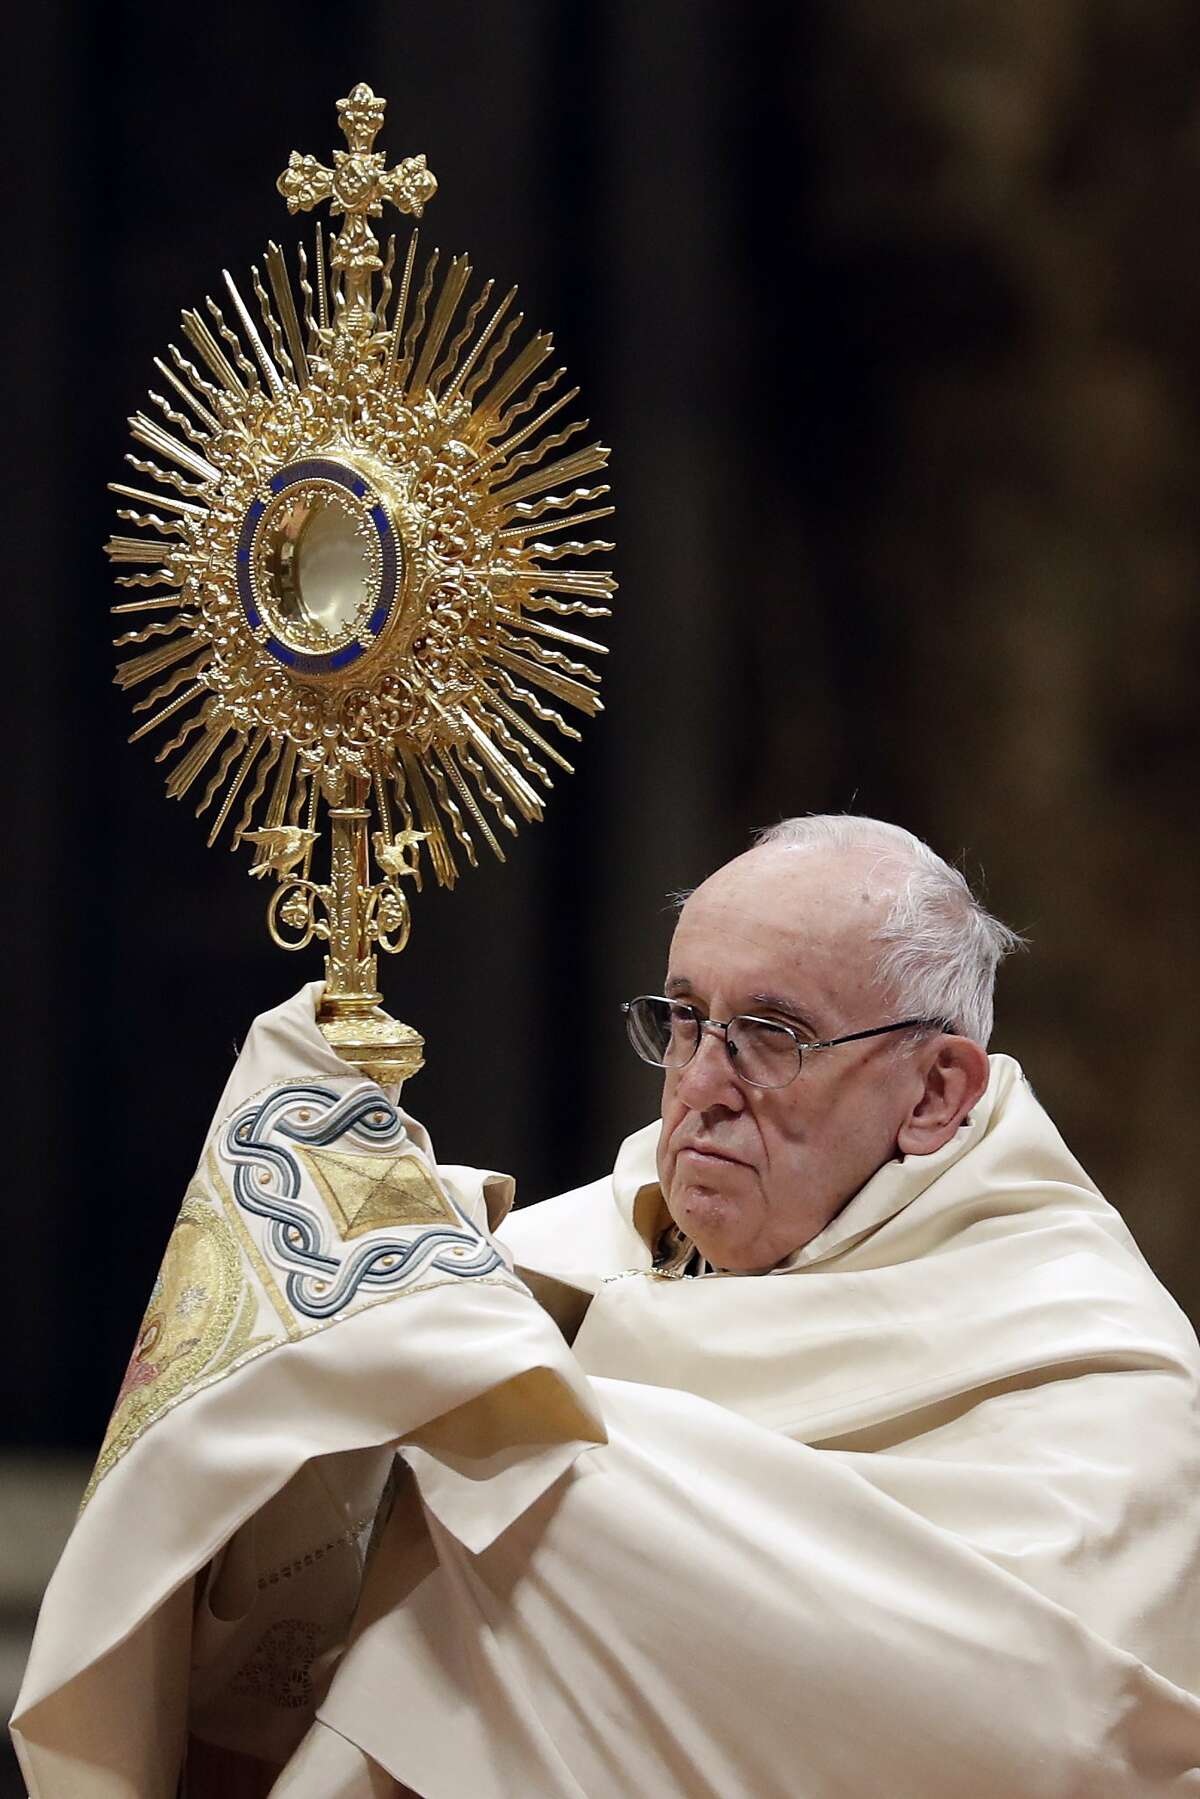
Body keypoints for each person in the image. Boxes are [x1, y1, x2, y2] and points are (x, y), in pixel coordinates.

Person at [13, 816, 1200, 1797]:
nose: (699, 1088)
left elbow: (1055, 1732)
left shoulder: (1089, 1356)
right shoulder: (573, 1258)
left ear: (938, 1091)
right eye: (684, 1021)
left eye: (770, 1036)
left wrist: (497, 1414)